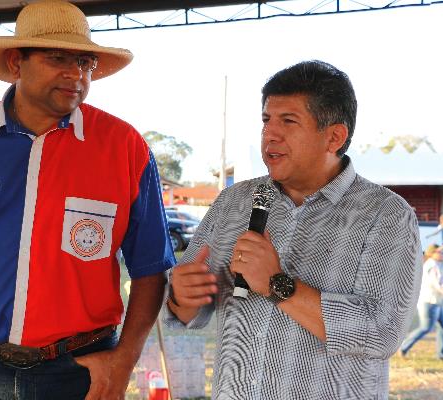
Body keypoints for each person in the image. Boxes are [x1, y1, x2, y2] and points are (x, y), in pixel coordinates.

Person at [0, 1, 175, 399]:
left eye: (85, 62)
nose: (75, 74)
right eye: (57, 58)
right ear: (15, 63)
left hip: (83, 373)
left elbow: (151, 267)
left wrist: (125, 358)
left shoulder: (123, 147)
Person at [163, 60, 422, 399]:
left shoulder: (385, 215)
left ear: (334, 137)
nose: (271, 134)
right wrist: (182, 298)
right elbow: (188, 311)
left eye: (288, 121)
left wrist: (277, 284)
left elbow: (382, 333)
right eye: (266, 121)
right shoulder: (233, 202)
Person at [400, 244, 443, 360]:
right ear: (431, 253)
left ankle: (442, 355)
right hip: (429, 303)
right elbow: (439, 284)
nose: (442, 254)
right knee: (426, 328)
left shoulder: (438, 265)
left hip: (437, 302)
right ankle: (403, 346)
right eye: (439, 252)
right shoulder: (432, 265)